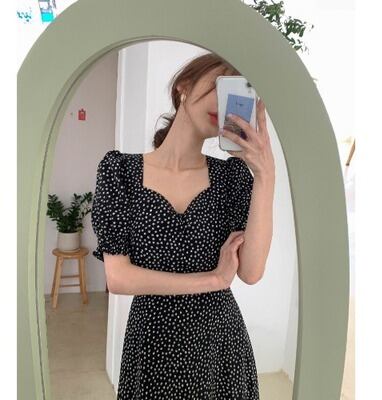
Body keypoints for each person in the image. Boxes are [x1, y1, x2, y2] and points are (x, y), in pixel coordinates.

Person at [91, 52, 275, 399]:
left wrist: (266, 174)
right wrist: (214, 280)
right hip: (152, 343)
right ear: (184, 87)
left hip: (219, 345)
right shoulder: (119, 172)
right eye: (218, 85)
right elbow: (118, 278)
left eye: (234, 93)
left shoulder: (232, 178)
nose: (223, 101)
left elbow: (251, 272)